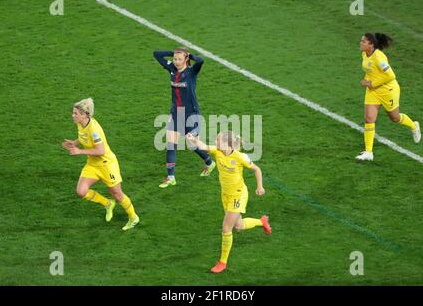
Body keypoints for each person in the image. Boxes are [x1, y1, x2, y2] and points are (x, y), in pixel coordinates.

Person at [186, 131, 271, 273]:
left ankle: (222, 262)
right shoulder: (218, 151)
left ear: (227, 144)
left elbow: (257, 169)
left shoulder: (240, 157)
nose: (216, 142)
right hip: (225, 194)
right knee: (239, 226)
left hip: (238, 196)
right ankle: (261, 221)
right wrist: (193, 139)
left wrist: (260, 186)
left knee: (226, 228)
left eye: (218, 140)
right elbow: (205, 146)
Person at [62, 98, 139, 231]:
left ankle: (133, 218)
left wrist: (79, 151)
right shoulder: (81, 124)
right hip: (92, 164)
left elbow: (100, 150)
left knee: (117, 194)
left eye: (75, 113)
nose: (72, 115)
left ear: (85, 115)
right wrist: (74, 143)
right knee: (81, 191)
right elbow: (83, 137)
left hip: (106, 164)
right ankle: (108, 204)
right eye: (73, 112)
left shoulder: (94, 129)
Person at [153, 48, 216, 188]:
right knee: (171, 145)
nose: (176, 62)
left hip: (192, 114)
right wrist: (174, 52)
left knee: (192, 144)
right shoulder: (171, 68)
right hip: (176, 113)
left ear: (186, 60)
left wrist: (189, 55)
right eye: (175, 59)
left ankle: (210, 162)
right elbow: (157, 54)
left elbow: (201, 60)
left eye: (179, 59)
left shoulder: (192, 72)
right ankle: (171, 177)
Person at [356, 33, 421, 161]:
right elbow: (370, 71)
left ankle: (414, 125)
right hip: (373, 91)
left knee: (395, 117)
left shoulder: (379, 57)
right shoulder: (365, 54)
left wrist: (371, 83)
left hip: (388, 91)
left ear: (371, 45)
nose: (360, 43)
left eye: (363, 41)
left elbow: (390, 76)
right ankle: (369, 152)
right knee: (369, 118)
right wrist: (366, 80)